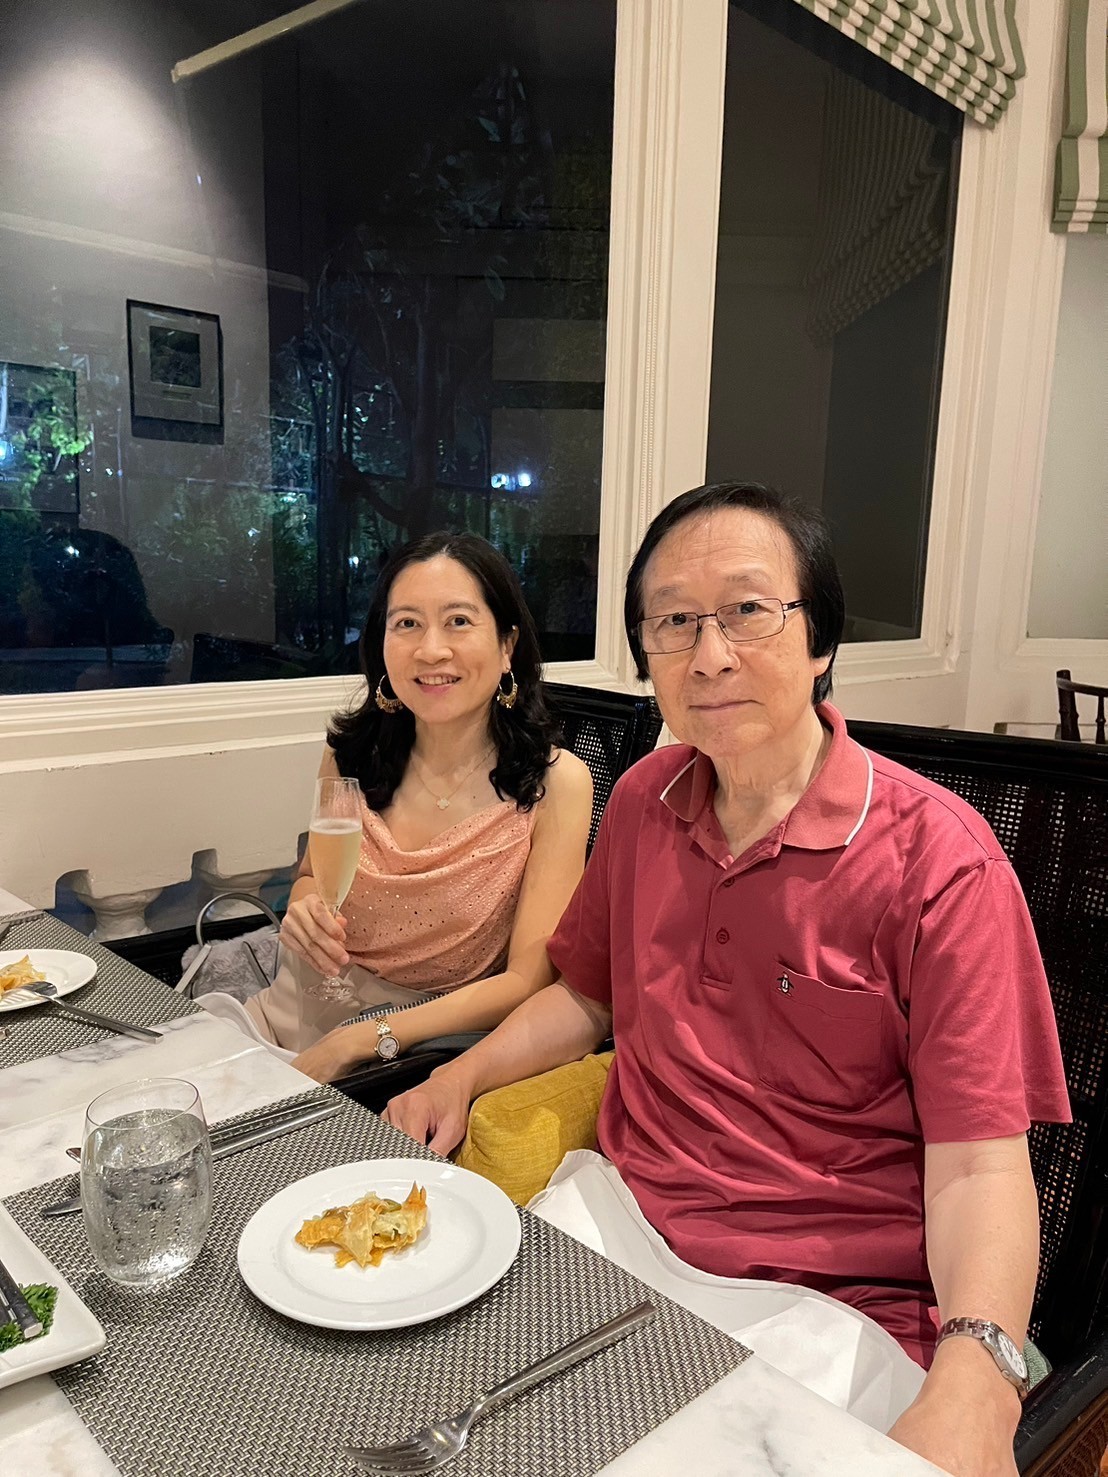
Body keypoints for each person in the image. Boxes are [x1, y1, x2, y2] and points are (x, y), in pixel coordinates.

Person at [385, 484, 1070, 1477]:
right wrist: (459, 1075)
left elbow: (980, 1167)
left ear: (819, 638)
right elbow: (584, 996)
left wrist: (979, 1378)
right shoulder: (642, 803)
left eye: (747, 610)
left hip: (829, 1307)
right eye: (673, 621)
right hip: (613, 1231)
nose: (708, 654)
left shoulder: (940, 864)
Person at [201, 531, 592, 1082]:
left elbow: (527, 981)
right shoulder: (350, 755)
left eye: (458, 621)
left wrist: (361, 1040)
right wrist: (305, 911)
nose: (431, 650)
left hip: (404, 1056)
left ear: (508, 645)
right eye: (407, 623)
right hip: (284, 1012)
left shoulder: (556, 785)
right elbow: (313, 876)